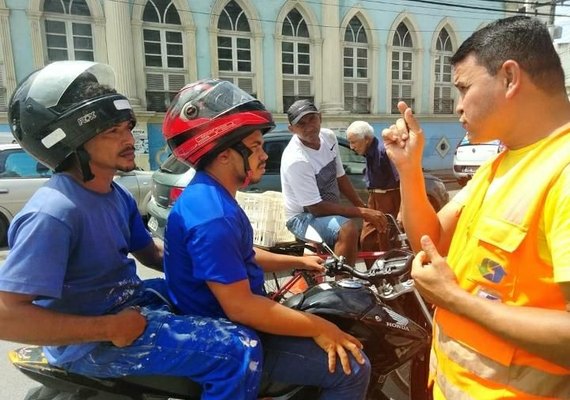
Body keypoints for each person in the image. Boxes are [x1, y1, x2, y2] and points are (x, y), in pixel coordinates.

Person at [0, 61, 265, 400]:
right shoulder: (55, 213)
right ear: (72, 140)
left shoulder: (115, 194)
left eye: (127, 127)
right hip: (91, 342)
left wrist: (215, 273)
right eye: (113, 131)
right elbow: (7, 315)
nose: (130, 140)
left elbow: (152, 254)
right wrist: (109, 328)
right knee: (237, 351)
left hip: (130, 303)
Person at [382, 16, 570, 399]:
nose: (457, 106)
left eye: (464, 88)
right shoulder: (500, 165)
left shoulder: (562, 172)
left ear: (510, 78)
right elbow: (428, 242)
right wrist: (409, 170)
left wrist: (456, 301)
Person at [162, 79, 371, 400]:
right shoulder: (213, 215)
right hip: (233, 334)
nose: (264, 156)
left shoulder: (211, 197)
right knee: (354, 367)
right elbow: (242, 308)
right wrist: (320, 328)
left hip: (227, 321)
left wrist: (299, 260)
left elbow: (243, 255)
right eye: (256, 147)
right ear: (224, 155)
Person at [281, 100, 387, 267]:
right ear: (291, 129)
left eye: (312, 119)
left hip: (323, 211)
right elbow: (316, 208)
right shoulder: (297, 159)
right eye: (301, 124)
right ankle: (343, 287)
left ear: (320, 118)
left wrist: (363, 207)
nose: (309, 127)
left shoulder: (328, 137)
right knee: (348, 229)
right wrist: (362, 212)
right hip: (302, 218)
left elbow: (340, 176)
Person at [346, 120, 400, 265]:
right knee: (366, 240)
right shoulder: (368, 152)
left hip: (388, 199)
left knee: (386, 242)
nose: (351, 147)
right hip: (374, 199)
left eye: (354, 142)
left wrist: (401, 211)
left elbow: (400, 179)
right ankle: (375, 277)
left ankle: (389, 279)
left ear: (367, 139)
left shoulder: (383, 151)